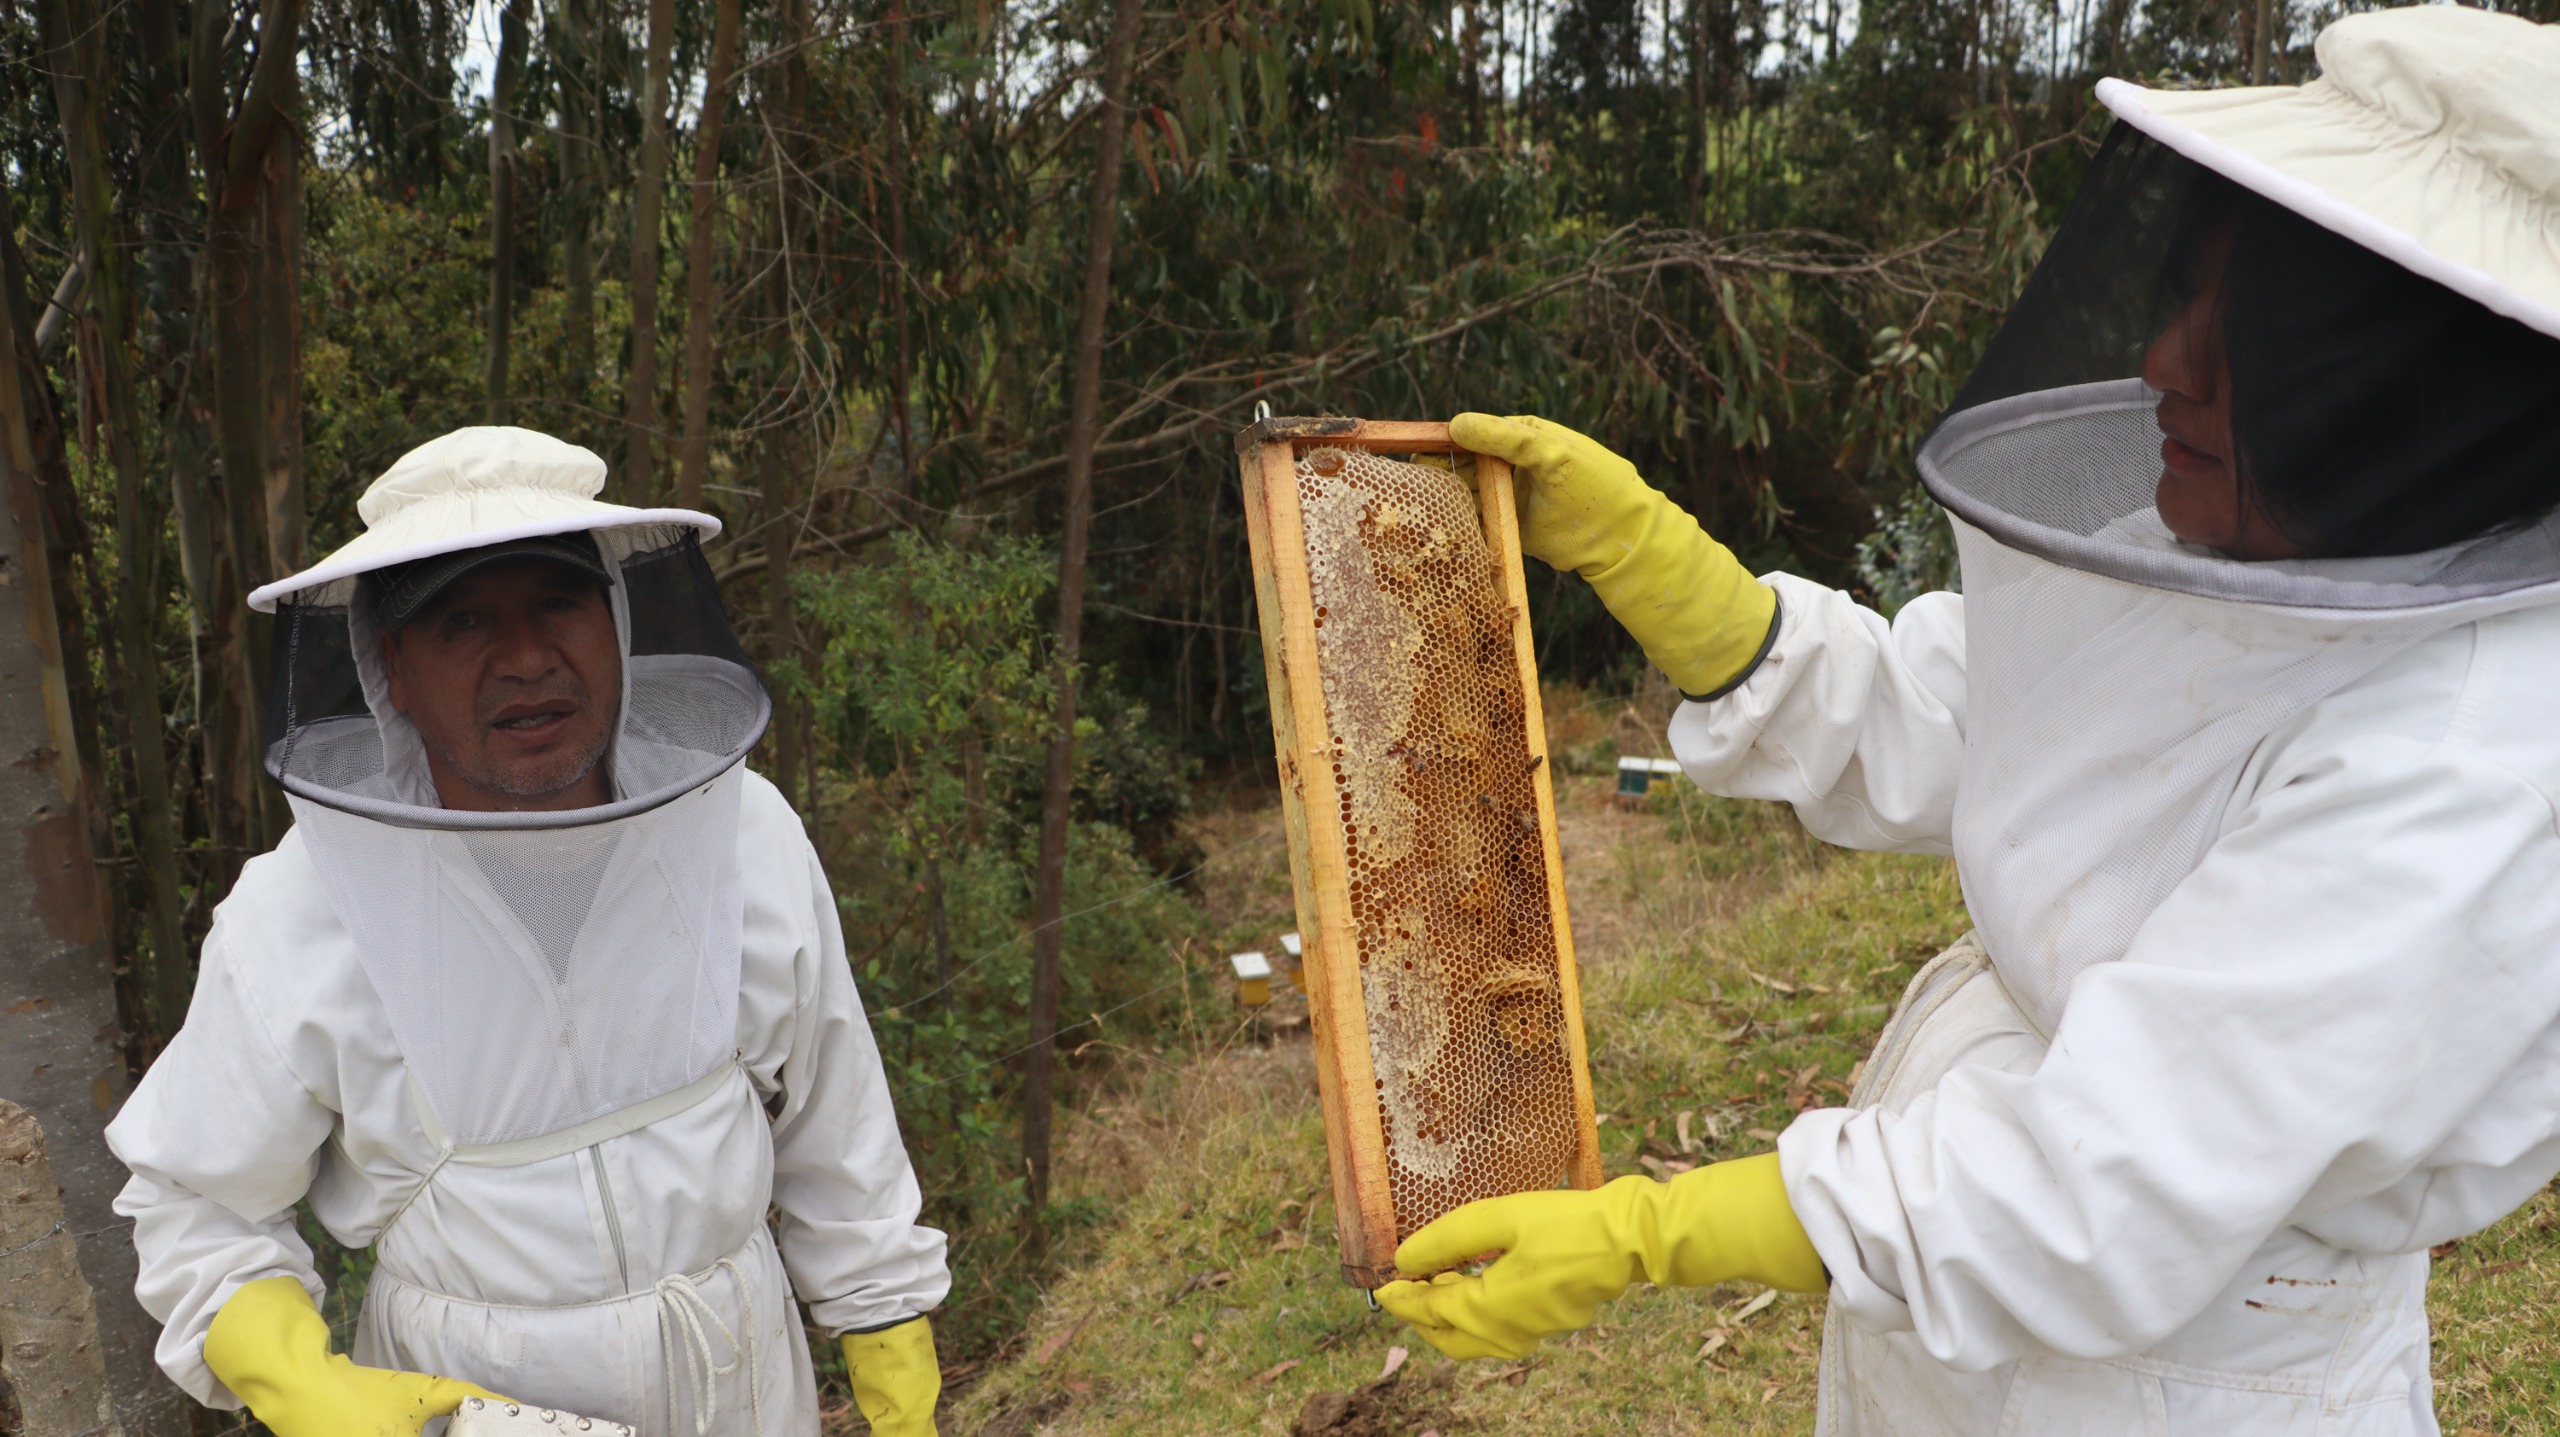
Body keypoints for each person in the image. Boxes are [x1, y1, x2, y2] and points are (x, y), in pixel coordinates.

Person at [1376, 7, 2560, 1432]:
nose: (2165, 364)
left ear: (2410, 398)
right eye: (2184, 295)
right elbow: (1968, 712)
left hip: (2185, 1378)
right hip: (1986, 1310)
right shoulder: (2253, 551)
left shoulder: (2474, 754)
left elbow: (2108, 1183)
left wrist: (1659, 1232)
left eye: (2247, 342)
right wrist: (1670, 575)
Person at [106, 427, 950, 1437]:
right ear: (394, 673)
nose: (527, 658)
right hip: (467, 1407)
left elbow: (835, 1124)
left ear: (615, 622)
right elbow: (194, 1202)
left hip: (746, 1391)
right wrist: (307, 1385)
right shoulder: (300, 914)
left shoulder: (742, 833)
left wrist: (893, 1367)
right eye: (462, 621)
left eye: (558, 602)